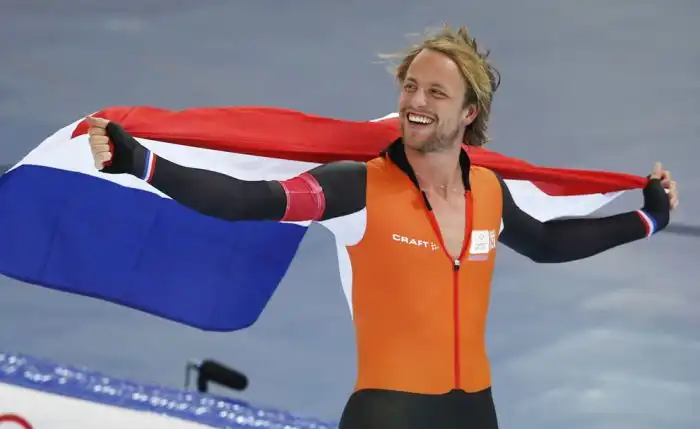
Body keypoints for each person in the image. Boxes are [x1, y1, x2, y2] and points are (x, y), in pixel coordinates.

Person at [85, 25, 678, 429]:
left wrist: (648, 218)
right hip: (389, 414)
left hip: (476, 413)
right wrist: (143, 163)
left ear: (468, 113)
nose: (415, 101)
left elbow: (547, 242)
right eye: (410, 86)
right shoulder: (355, 187)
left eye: (436, 92)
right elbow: (246, 201)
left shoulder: (488, 192)